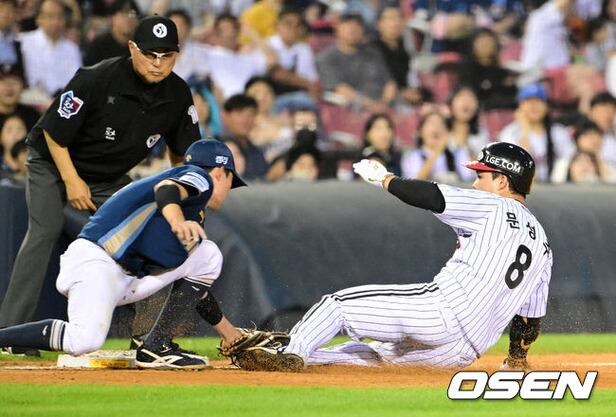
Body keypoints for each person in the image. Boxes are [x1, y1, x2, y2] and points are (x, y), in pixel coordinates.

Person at [235, 142, 553, 372]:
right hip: (461, 353)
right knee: (374, 358)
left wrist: (386, 179)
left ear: (502, 181)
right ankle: (275, 354)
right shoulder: (542, 245)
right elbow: (529, 321)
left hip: (440, 313)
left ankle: (290, 349)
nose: (474, 182)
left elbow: (434, 195)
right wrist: (517, 360)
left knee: (337, 306)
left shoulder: (495, 204)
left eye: (481, 176)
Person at [0, 15, 201, 354]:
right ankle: (10, 333)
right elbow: (53, 132)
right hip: (53, 162)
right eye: (150, 54)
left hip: (108, 176)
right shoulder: (97, 78)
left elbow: (182, 153)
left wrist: (177, 198)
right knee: (45, 230)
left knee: (151, 227)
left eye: (166, 55)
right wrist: (72, 181)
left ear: (176, 55)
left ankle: (146, 336)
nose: (157, 63)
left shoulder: (178, 93)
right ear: (132, 48)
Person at [0, 139, 255, 369]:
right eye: (231, 181)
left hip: (127, 276)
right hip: (96, 263)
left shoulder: (192, 206)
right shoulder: (200, 177)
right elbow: (166, 189)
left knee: (207, 255)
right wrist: (177, 221)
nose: (229, 189)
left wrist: (229, 333)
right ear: (220, 172)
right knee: (84, 341)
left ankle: (156, 346)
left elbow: (195, 288)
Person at [498, 83, 575, 182]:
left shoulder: (559, 132)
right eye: (529, 102)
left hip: (557, 186)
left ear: (547, 107)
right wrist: (525, 129)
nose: (534, 106)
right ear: (520, 106)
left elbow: (569, 160)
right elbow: (517, 168)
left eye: (538, 101)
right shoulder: (509, 133)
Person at [19, 0, 82, 97]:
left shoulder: (72, 49)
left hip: (63, 100)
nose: (55, 22)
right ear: (38, 18)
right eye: (50, 16)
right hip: (32, 99)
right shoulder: (24, 42)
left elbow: (76, 82)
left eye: (59, 17)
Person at [83, 0, 140, 66]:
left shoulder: (140, 46)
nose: (128, 19)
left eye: (132, 14)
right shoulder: (98, 47)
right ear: (111, 18)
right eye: (122, 14)